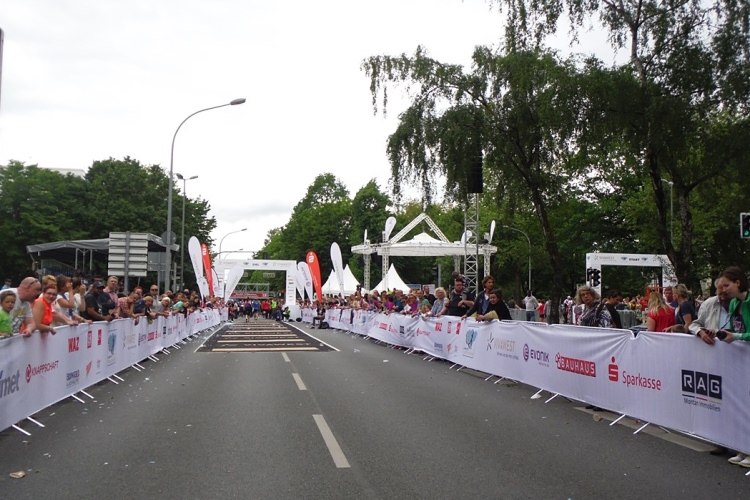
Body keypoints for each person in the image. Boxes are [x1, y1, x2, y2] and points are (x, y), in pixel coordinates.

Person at [688, 278, 730, 345]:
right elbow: (694, 325)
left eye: (726, 294)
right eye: (720, 294)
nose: (722, 297)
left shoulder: (742, 304)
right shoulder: (708, 304)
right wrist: (701, 332)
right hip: (713, 348)